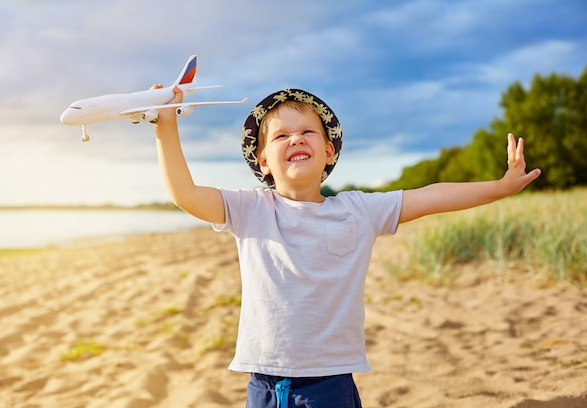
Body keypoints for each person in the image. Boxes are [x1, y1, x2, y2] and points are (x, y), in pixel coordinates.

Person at [152, 85, 541, 408]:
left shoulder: (358, 209)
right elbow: (184, 193)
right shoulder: (250, 209)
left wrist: (500, 187)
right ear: (263, 161)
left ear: (329, 152)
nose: (296, 139)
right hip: (264, 383)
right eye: (281, 136)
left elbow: (431, 195)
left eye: (307, 132)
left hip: (330, 384)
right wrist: (165, 126)